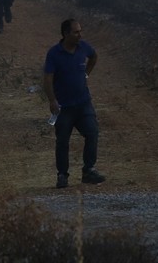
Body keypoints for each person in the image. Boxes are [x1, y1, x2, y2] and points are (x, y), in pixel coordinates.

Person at [44, 18, 105, 188]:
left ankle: (89, 170)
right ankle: (62, 175)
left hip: (84, 103)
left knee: (92, 132)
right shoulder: (54, 53)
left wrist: (86, 74)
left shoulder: (83, 47)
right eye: (76, 32)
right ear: (65, 34)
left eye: (80, 31)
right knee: (62, 141)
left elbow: (93, 57)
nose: (80, 35)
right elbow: (47, 78)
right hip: (64, 107)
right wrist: (52, 100)